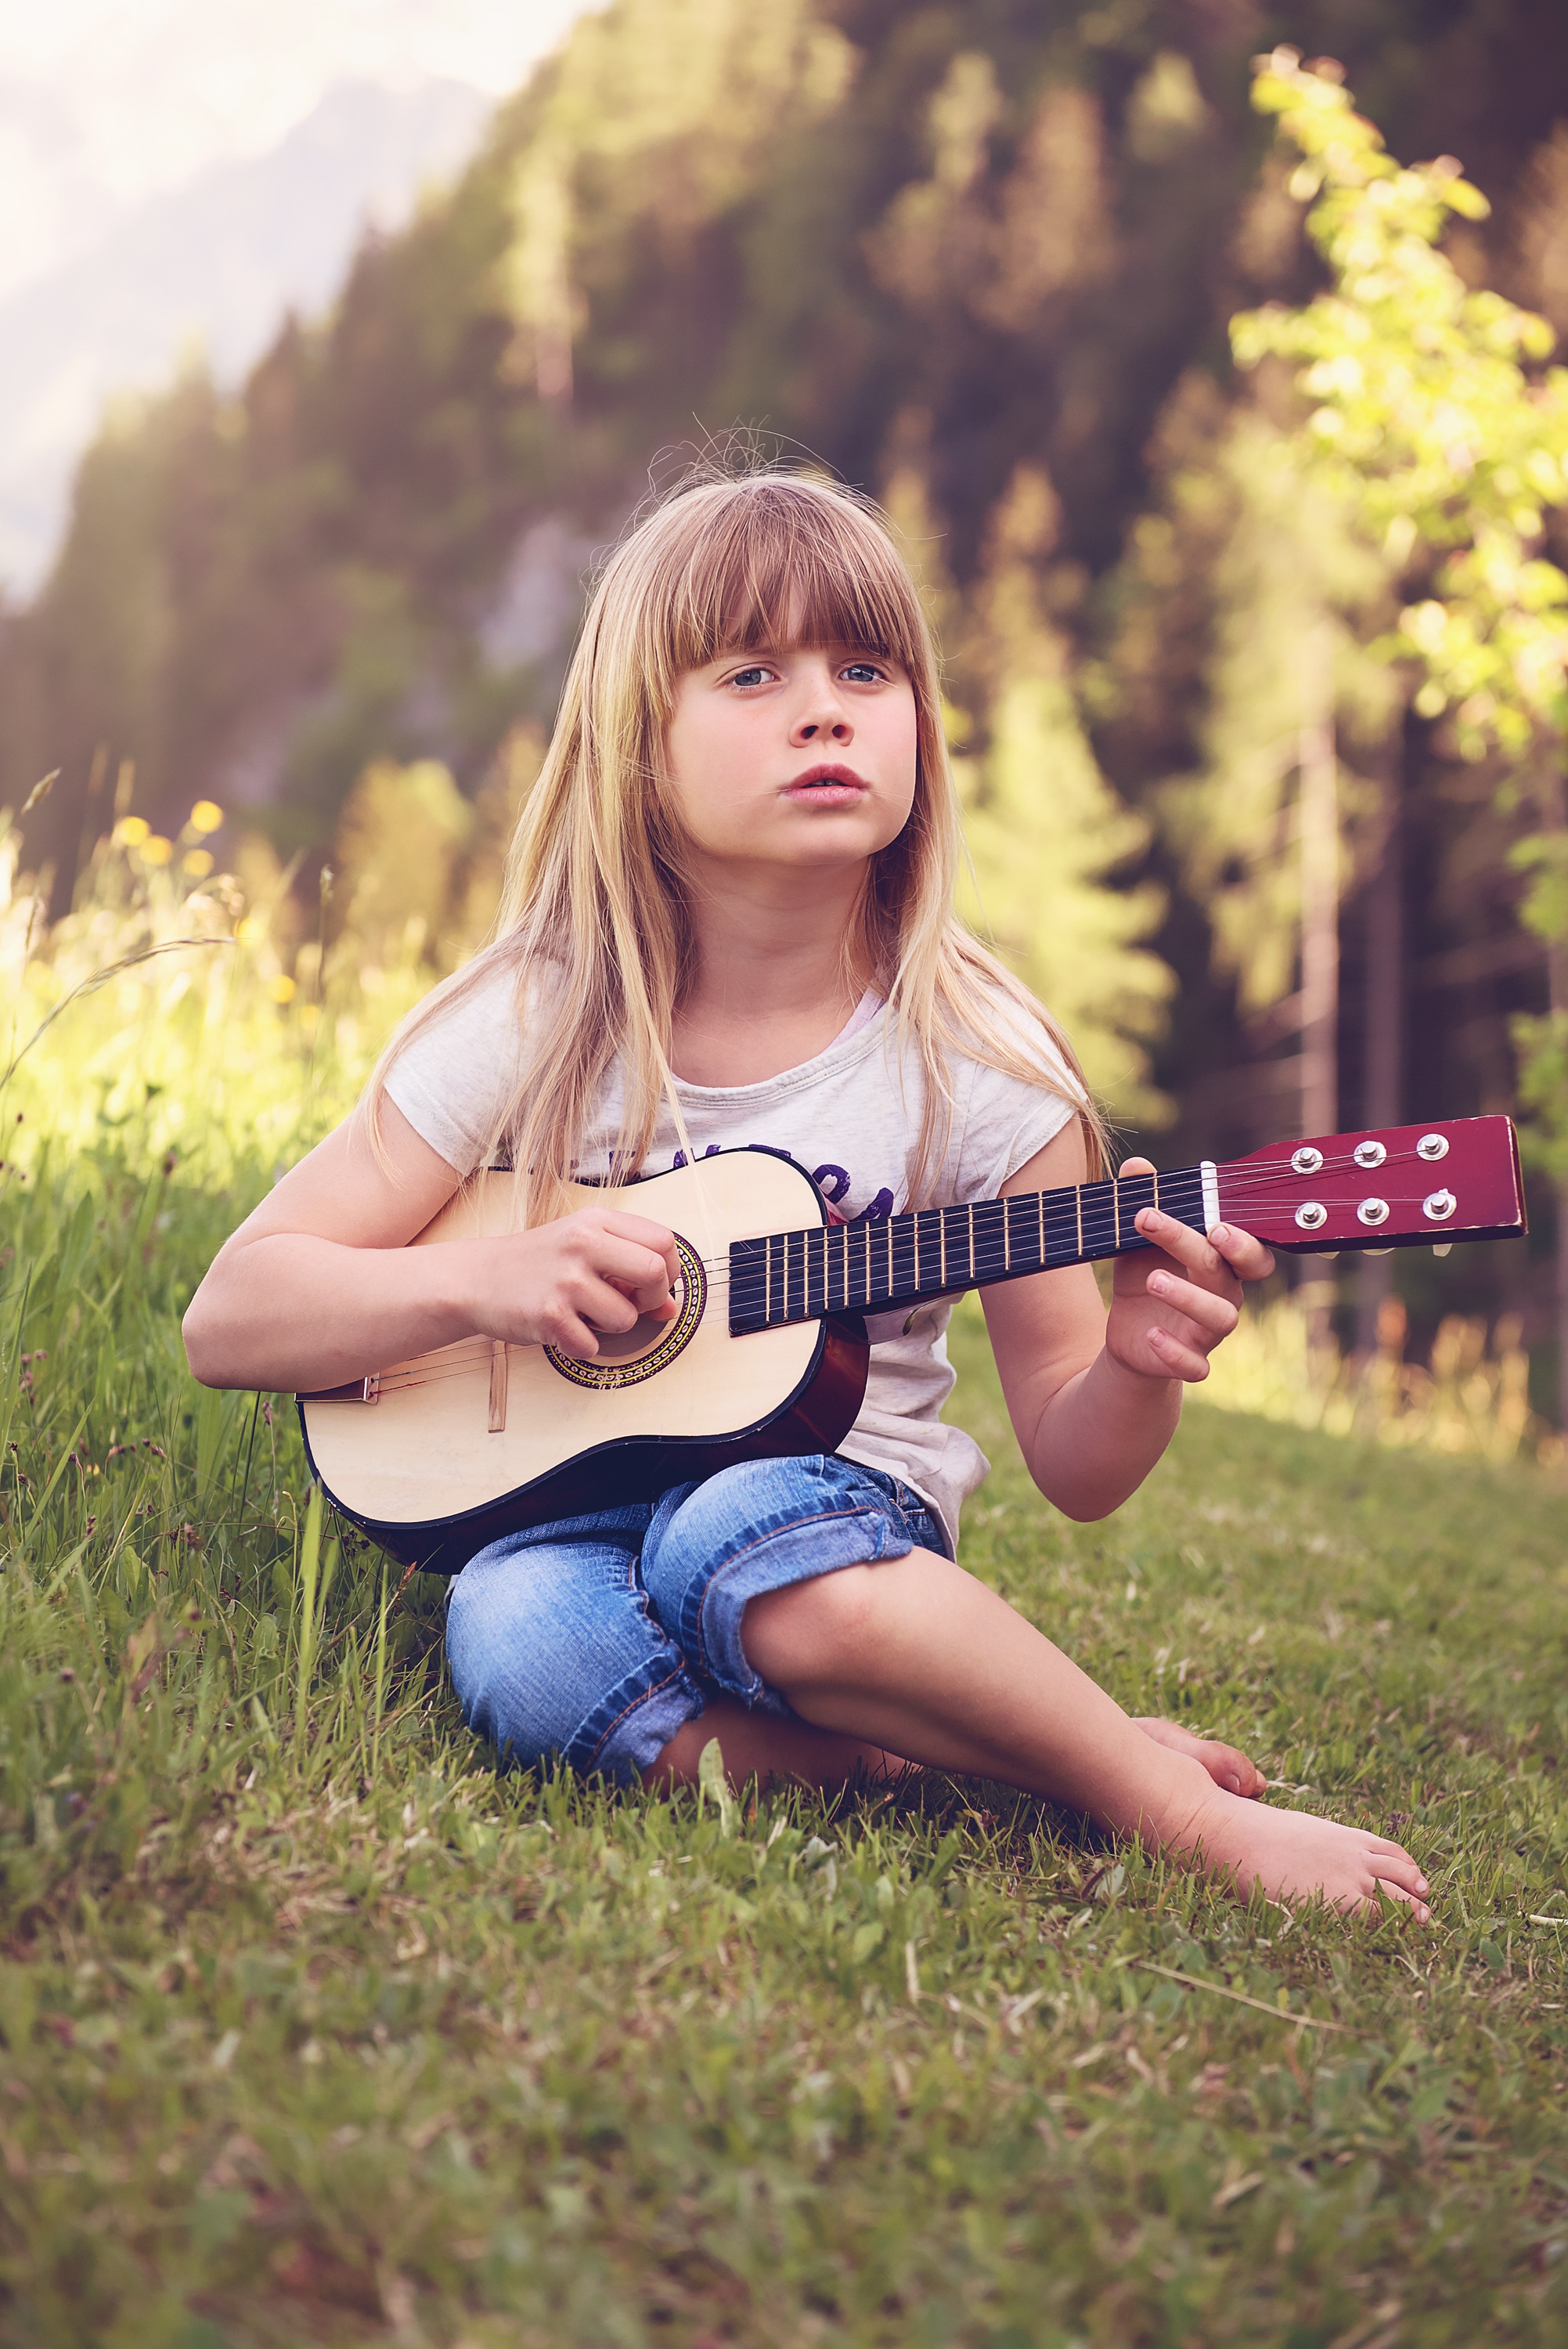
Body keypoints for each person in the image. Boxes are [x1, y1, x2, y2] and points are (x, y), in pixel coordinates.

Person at [184, 468, 1429, 1920]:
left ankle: (1162, 1811)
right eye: (753, 674)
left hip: (830, 1516)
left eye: (865, 669)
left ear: (919, 732)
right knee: (515, 1639)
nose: (825, 710)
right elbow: (235, 1315)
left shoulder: (981, 1060)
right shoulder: (537, 1018)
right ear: (635, 749)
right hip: (554, 1510)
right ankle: (949, 1761)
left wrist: (1143, 1363)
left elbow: (1079, 1466)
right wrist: (479, 1283)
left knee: (734, 1537)